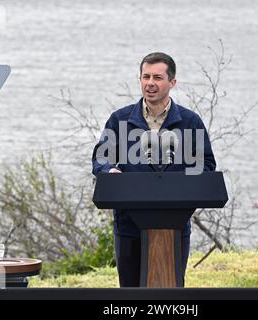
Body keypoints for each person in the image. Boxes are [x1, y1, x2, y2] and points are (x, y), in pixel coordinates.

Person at [92, 52, 216, 287]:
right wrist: (109, 172)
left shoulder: (190, 122)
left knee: (171, 293)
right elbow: (100, 160)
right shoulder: (119, 120)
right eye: (145, 76)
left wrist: (180, 187)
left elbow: (206, 166)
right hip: (128, 225)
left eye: (157, 77)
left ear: (172, 82)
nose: (150, 83)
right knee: (129, 292)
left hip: (175, 225)